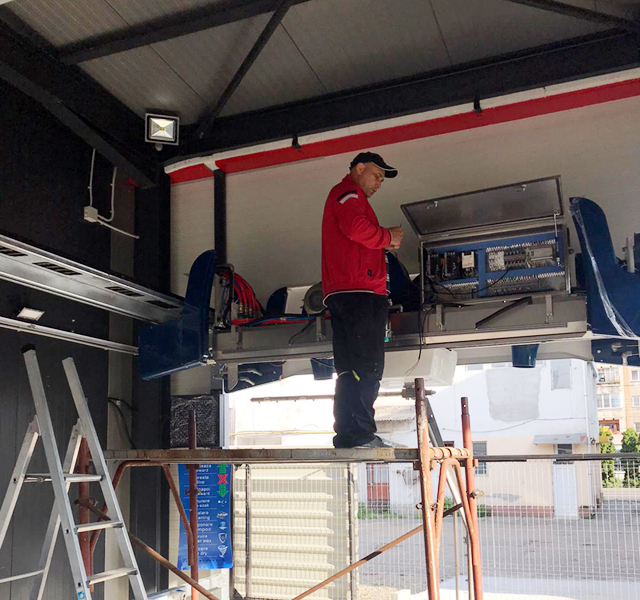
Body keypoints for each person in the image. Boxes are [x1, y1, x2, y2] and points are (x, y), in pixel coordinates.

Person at [321, 151, 404, 448]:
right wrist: (387, 237)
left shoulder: (345, 196)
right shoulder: (349, 194)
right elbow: (356, 229)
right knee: (367, 365)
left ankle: (347, 434)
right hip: (360, 291)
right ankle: (361, 434)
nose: (379, 183)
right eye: (376, 175)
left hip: (344, 293)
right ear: (359, 168)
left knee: (348, 369)